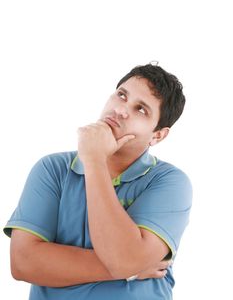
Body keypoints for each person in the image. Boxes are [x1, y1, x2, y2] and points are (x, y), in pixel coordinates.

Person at [4, 62, 192, 300]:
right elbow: (23, 263)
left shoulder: (170, 182)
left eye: (140, 109)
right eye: (121, 95)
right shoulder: (52, 169)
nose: (121, 110)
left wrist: (93, 160)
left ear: (158, 135)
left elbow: (124, 259)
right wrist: (131, 270)